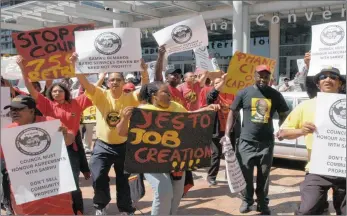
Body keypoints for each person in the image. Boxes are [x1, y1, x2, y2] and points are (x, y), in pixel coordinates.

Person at [116, 81, 220, 215]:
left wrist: (206, 109)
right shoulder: (143, 111)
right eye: (165, 92)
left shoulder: (176, 106)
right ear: (154, 96)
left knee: (175, 196)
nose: (170, 95)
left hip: (175, 161)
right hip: (151, 160)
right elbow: (122, 132)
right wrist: (124, 118)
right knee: (164, 192)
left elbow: (189, 118)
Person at [70, 52, 149, 215]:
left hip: (124, 146)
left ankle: (126, 209)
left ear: (123, 82)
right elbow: (83, 81)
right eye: (112, 79)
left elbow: (145, 89)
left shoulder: (131, 97)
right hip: (102, 146)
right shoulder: (99, 94)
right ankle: (101, 205)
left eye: (118, 80)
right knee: (98, 177)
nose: (114, 82)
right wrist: (75, 64)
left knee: (124, 180)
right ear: (107, 82)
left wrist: (143, 71)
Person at [16, 55, 92, 215]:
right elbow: (31, 89)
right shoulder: (48, 106)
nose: (57, 93)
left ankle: (77, 210)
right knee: (56, 183)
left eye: (60, 91)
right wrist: (23, 69)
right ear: (50, 94)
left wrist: (75, 65)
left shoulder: (77, 103)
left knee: (73, 183)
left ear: (66, 92)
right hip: (52, 150)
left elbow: (90, 88)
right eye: (54, 91)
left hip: (71, 148)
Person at [278, 66, 346, 215]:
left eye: (333, 77)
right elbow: (282, 133)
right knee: (307, 210)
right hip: (317, 169)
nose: (328, 79)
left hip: (344, 170)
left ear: (340, 83)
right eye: (323, 77)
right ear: (317, 84)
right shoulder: (306, 106)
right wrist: (301, 130)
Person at [223, 65, 290, 215]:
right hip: (246, 142)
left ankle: (262, 203)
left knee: (264, 176)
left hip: (266, 144)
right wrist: (227, 134)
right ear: (254, 76)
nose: (262, 79)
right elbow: (232, 113)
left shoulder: (275, 95)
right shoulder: (244, 93)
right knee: (246, 174)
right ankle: (247, 201)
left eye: (266, 76)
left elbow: (284, 112)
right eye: (259, 76)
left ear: (270, 78)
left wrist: (281, 128)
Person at [1, 95, 76, 215]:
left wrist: (65, 135)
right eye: (12, 109)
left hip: (53, 184)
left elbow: (70, 140)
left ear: (32, 110)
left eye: (18, 109)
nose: (14, 112)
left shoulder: (49, 122)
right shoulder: (8, 131)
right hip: (26, 189)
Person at [205, 74, 240, 186]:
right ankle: (211, 176)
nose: (220, 85)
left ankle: (230, 176)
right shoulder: (214, 94)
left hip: (230, 130)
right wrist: (220, 83)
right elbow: (209, 98)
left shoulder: (233, 94)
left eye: (221, 82)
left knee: (231, 154)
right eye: (216, 83)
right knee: (216, 154)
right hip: (217, 129)